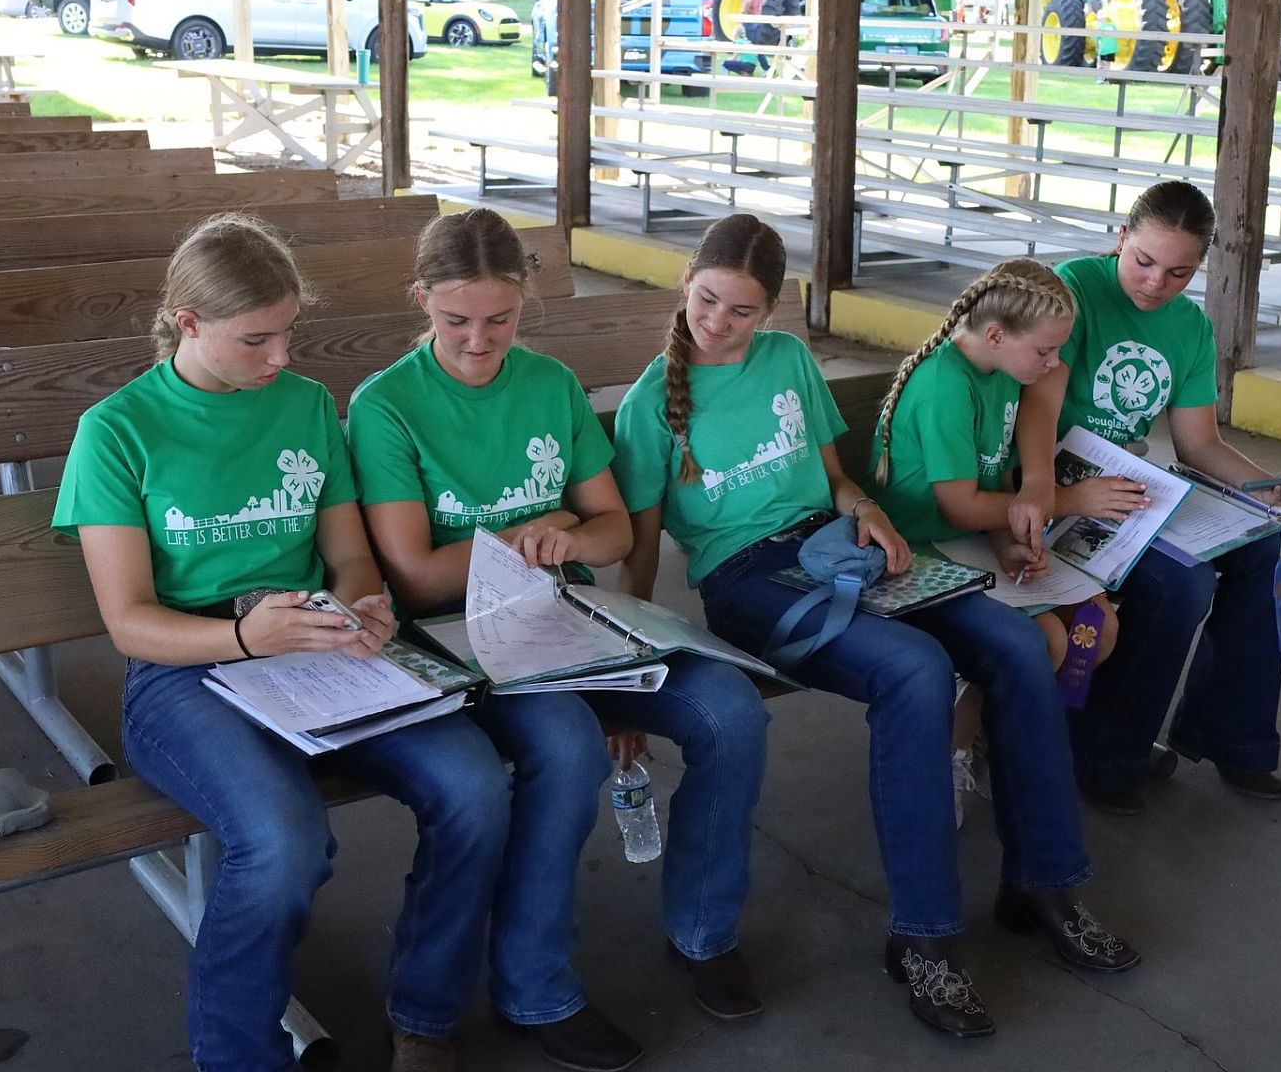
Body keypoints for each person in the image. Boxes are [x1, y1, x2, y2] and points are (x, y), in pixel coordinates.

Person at [613, 215, 1137, 1043]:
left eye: (743, 310)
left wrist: (870, 515)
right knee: (915, 671)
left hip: (840, 546)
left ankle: (1045, 884)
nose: (719, 322)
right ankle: (924, 938)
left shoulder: (785, 360)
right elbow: (641, 552)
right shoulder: (652, 405)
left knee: (1013, 644)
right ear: (686, 284)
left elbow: (834, 477)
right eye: (709, 301)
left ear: (772, 311)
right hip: (749, 580)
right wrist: (631, 672)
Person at [53, 213, 509, 1072]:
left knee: (474, 785)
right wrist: (242, 635)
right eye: (256, 339)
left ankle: (426, 1018)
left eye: (289, 333)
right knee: (283, 836)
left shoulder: (302, 406)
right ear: (187, 324)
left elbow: (347, 556)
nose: (283, 359)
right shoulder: (117, 431)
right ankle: (236, 1056)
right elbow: (129, 620)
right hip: (185, 668)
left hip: (310, 637)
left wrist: (361, 606)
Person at [349, 208, 771, 1072]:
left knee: (730, 710)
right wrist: (529, 532)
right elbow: (420, 573)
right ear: (421, 300)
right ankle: (534, 986)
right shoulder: (387, 405)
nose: (478, 341)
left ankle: (703, 930)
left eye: (499, 319)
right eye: (456, 320)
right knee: (566, 749)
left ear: (525, 303)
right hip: (454, 638)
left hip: (562, 621)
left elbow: (614, 532)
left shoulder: (548, 384)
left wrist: (572, 540)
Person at [1047, 180, 1281, 816]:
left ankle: (1231, 737)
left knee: (1272, 543)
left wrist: (1268, 487)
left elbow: (1198, 444)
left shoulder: (1190, 327)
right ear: (1121, 237)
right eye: (1143, 262)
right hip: (1059, 491)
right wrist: (1067, 492)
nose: (1155, 284)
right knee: (1181, 585)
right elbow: (1027, 418)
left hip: (1128, 491)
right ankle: (1105, 753)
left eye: (1178, 272)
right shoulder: (1072, 291)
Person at [862, 258, 1119, 827]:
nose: (1055, 365)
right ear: (998, 334)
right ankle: (955, 751)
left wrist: (1009, 540)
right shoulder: (943, 385)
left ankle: (1003, 739)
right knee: (1046, 641)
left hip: (974, 540)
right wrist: (1060, 504)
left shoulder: (1006, 370)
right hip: (920, 552)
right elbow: (957, 504)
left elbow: (996, 476)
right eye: (1046, 352)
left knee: (1094, 631)